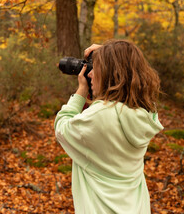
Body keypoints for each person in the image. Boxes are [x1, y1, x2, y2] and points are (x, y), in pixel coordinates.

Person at [54, 39, 164, 213]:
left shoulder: (100, 115)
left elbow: (62, 128)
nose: (89, 75)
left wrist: (80, 93)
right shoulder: (145, 114)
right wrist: (110, 55)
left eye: (95, 69)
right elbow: (136, 80)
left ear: (110, 75)